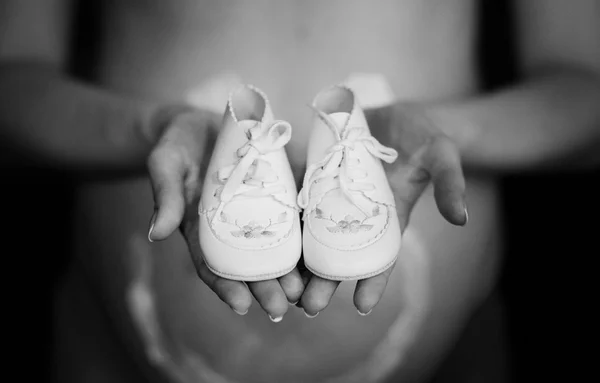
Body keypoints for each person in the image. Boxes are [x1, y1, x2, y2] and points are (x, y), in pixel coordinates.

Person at [1, 1, 599, 382]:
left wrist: (448, 133)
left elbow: (588, 92)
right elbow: (9, 82)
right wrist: (152, 128)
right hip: (108, 348)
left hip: (454, 357)